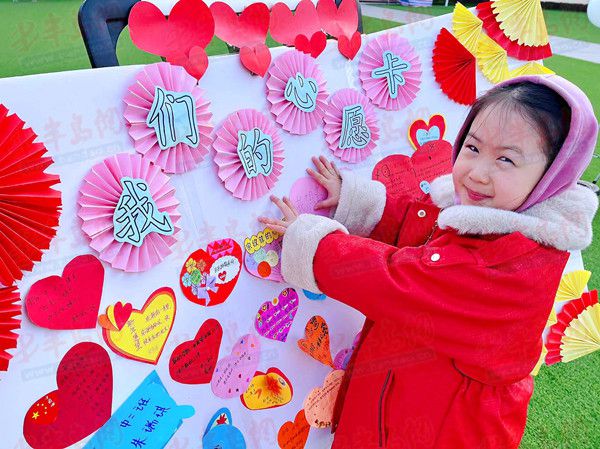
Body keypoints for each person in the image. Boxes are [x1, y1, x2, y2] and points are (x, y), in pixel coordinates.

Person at [258, 74, 599, 449]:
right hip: (402, 398)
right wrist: (358, 204)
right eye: (472, 147)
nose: (478, 171)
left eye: (506, 159)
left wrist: (312, 244)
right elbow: (421, 225)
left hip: (445, 428)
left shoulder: (517, 263)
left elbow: (400, 281)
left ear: (553, 176)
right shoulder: (487, 215)